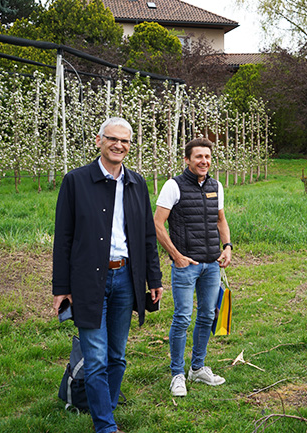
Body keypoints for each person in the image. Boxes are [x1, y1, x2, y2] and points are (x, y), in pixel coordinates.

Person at [52, 117, 164, 433]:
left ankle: (106, 406)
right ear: (98, 140)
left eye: (125, 141)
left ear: (130, 145)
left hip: (126, 278)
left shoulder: (136, 183)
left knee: (117, 356)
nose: (119, 145)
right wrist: (61, 287)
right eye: (112, 139)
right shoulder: (75, 181)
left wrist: (153, 280)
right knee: (97, 358)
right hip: (88, 281)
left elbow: (146, 237)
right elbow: (63, 237)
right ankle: (105, 426)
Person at [154, 137, 233, 397]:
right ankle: (177, 373)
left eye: (208, 157)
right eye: (198, 157)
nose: (204, 161)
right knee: (182, 317)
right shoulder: (173, 186)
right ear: (187, 159)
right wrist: (176, 256)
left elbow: (220, 220)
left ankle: (197, 368)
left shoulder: (216, 186)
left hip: (211, 265)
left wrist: (228, 246)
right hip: (186, 265)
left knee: (207, 316)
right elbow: (157, 223)